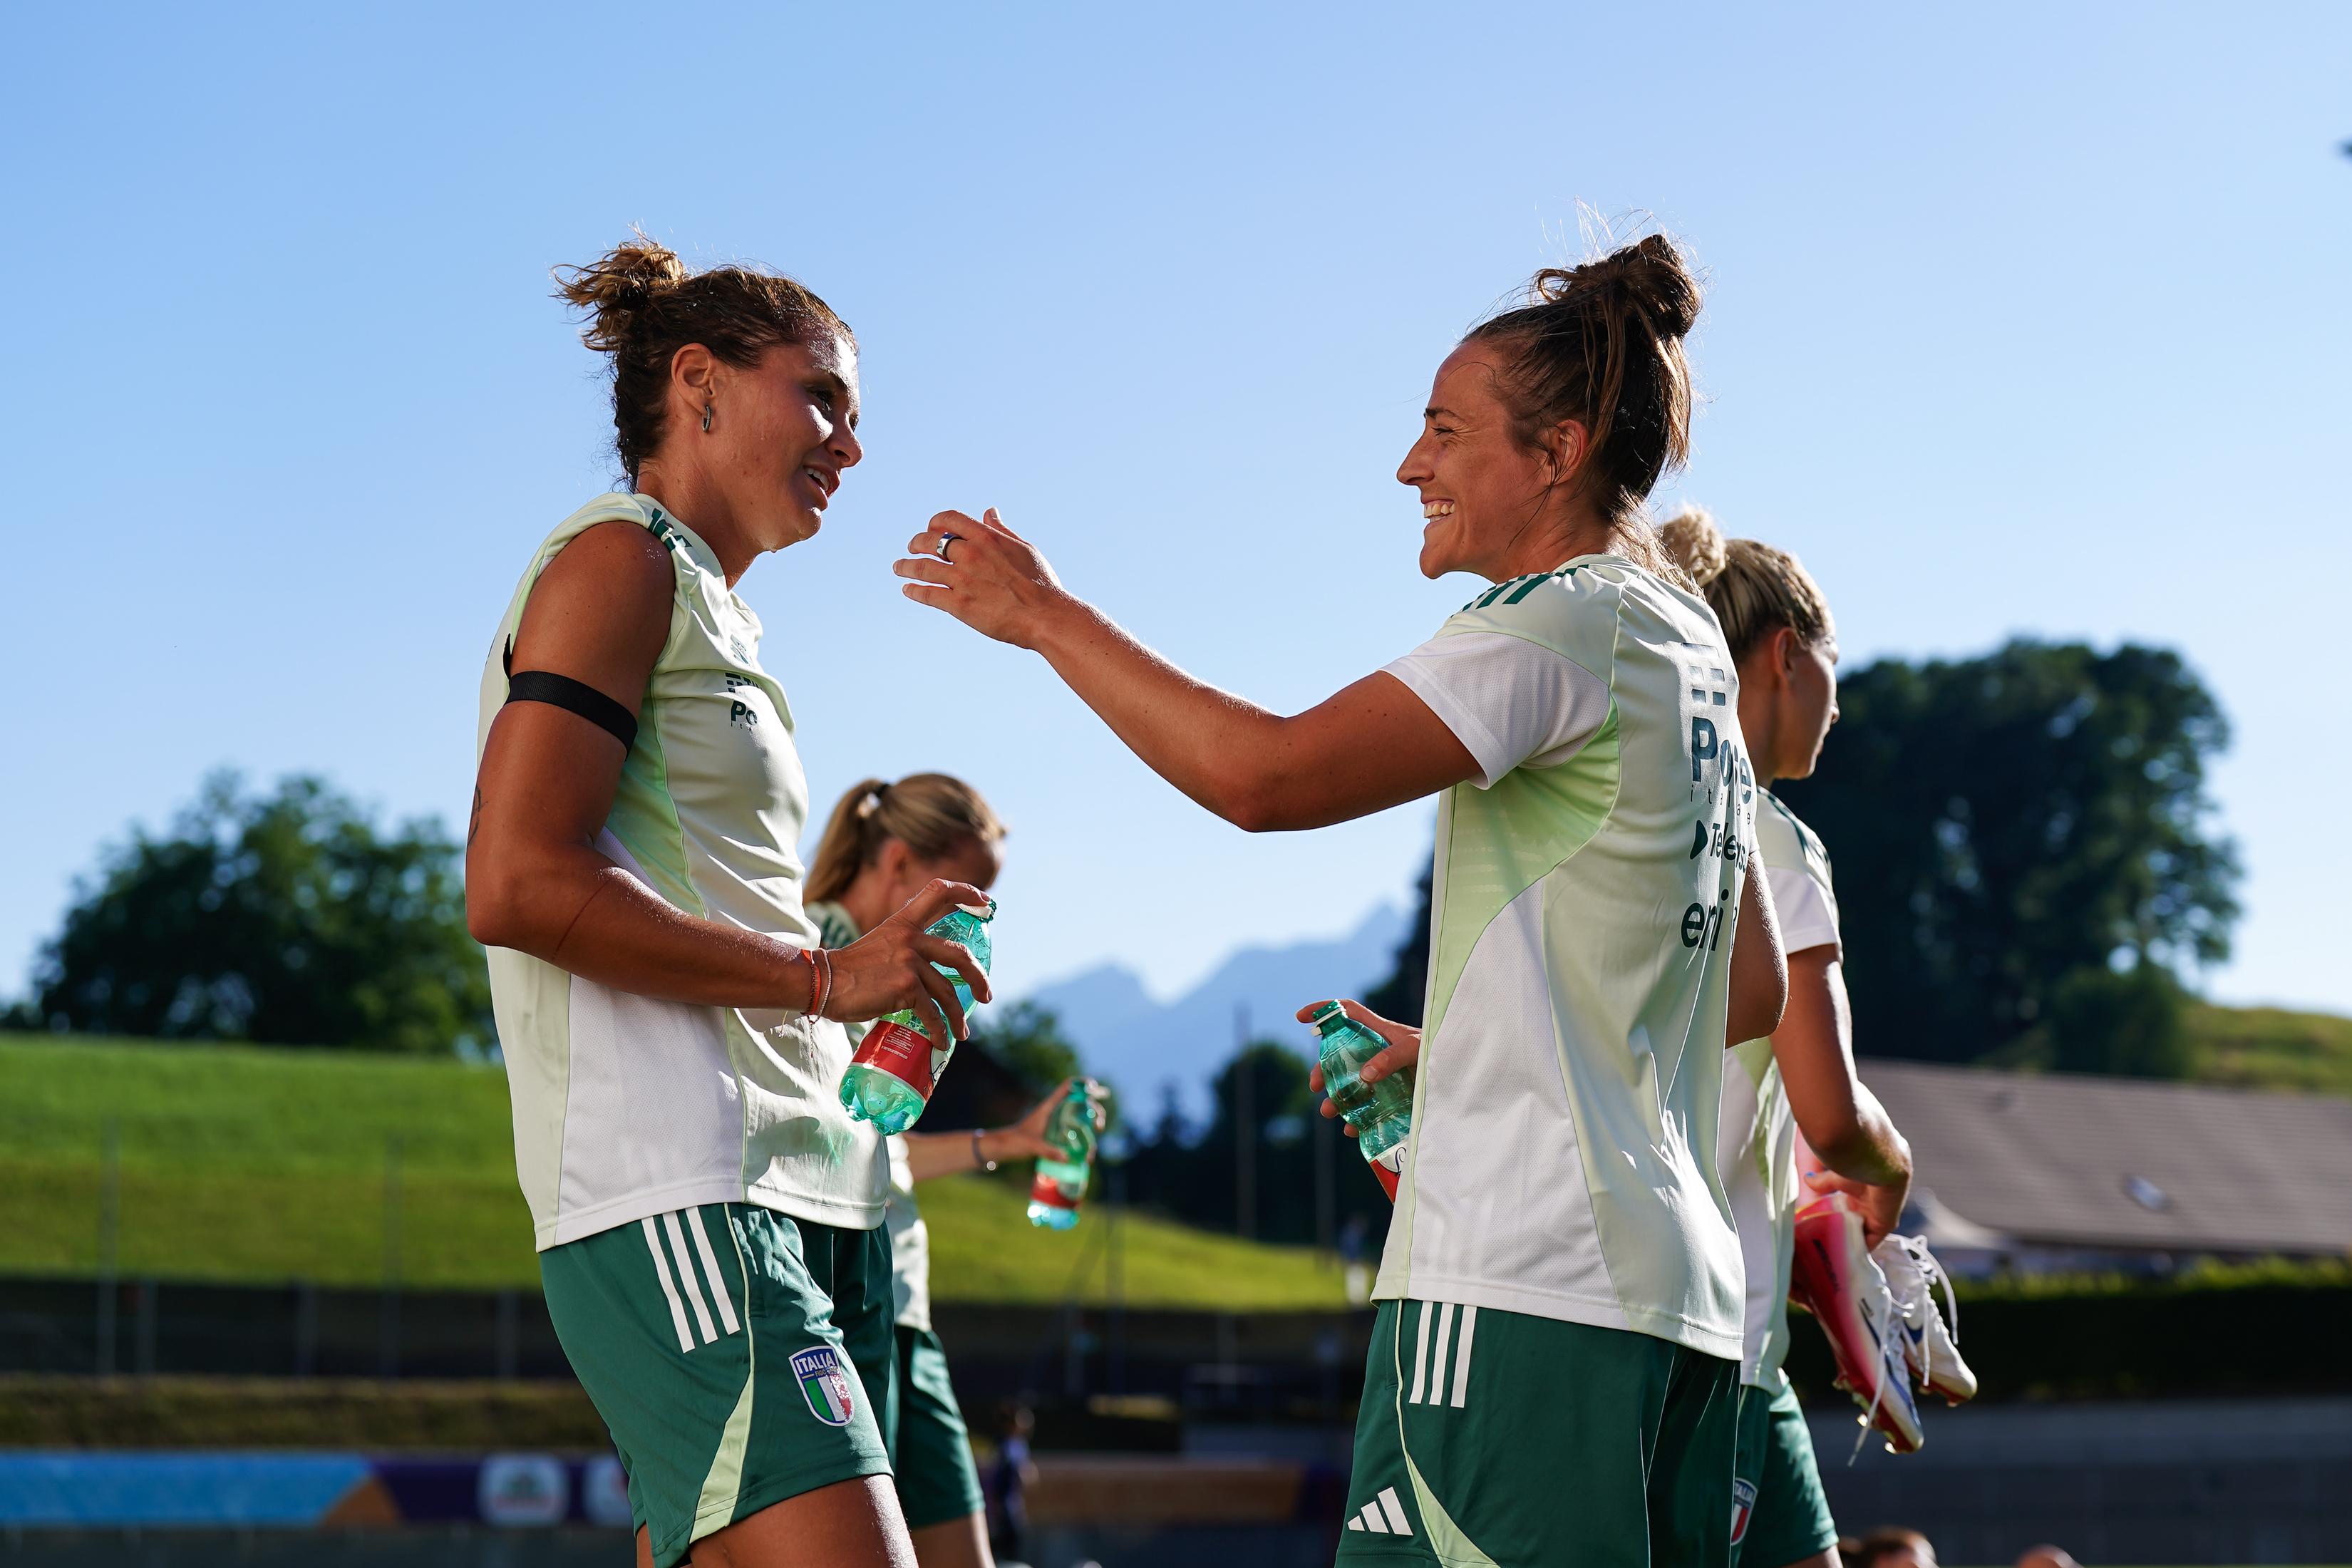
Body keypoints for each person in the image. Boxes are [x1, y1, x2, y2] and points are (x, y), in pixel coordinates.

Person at [897, 233, 1788, 1566]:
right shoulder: (1689, 645)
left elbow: (1266, 778)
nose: (1410, 465)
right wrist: (1474, 1049)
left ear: (1557, 453)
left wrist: (1043, 615)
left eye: (1445, 430)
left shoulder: (1560, 620)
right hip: (1680, 1296)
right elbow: (1751, 988)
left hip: (1525, 1280)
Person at [465, 236, 992, 1568]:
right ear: (696, 384)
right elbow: (518, 881)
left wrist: (853, 1011)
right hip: (677, 1188)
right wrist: (828, 978)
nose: (850, 446)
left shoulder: (709, 603)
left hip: (779, 1190)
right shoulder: (621, 559)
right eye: (823, 398)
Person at [1660, 510, 1917, 1568]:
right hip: (1721, 1338)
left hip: (1634, 1319)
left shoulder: (1643, 820)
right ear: (1785, 656)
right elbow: (1832, 1114)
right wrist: (1891, 1166)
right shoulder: (1777, 840)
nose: (1838, 703)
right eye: (1833, 664)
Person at [803, 773, 1090, 1568]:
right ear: (899, 863)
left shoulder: (893, 981)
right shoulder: (813, 953)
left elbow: (878, 1147)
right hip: (845, 1302)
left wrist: (1013, 1142)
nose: (971, 927)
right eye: (963, 898)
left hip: (907, 1312)